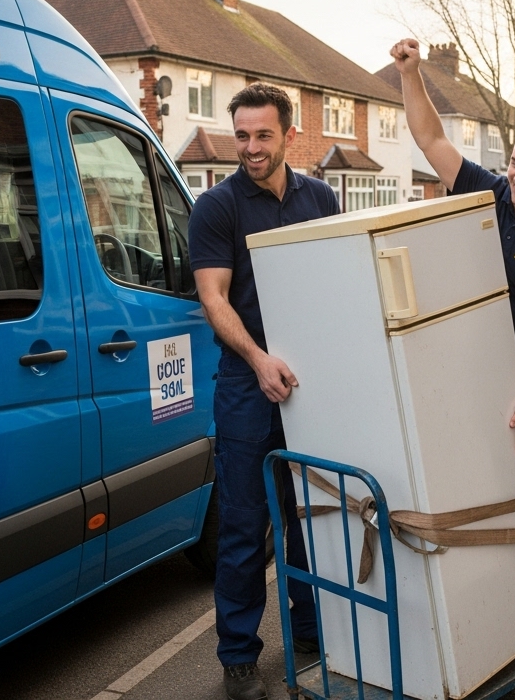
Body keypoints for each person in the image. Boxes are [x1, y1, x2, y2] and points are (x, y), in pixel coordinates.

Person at [389, 38, 515, 612]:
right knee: (474, 498)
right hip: (471, 386)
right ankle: (490, 614)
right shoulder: (489, 193)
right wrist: (411, 74)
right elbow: (431, 139)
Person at [189, 83, 338, 700]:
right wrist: (257, 359)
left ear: (289, 134)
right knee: (247, 524)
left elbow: (337, 282)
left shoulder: (322, 197)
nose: (250, 147)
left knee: (314, 514)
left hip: (311, 382)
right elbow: (213, 299)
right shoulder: (217, 207)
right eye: (242, 135)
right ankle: (239, 656)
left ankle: (310, 631)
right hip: (247, 386)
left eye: (263, 135)